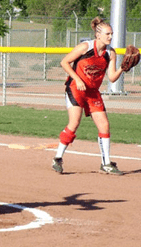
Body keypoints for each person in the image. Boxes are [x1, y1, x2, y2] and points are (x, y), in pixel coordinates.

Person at [52, 17, 125, 175]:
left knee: (104, 125)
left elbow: (112, 78)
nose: (110, 37)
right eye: (107, 34)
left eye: (112, 34)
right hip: (75, 89)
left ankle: (106, 163)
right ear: (98, 35)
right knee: (74, 123)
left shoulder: (110, 53)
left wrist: (122, 69)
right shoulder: (85, 47)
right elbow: (64, 62)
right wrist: (77, 79)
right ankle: (58, 158)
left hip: (92, 92)